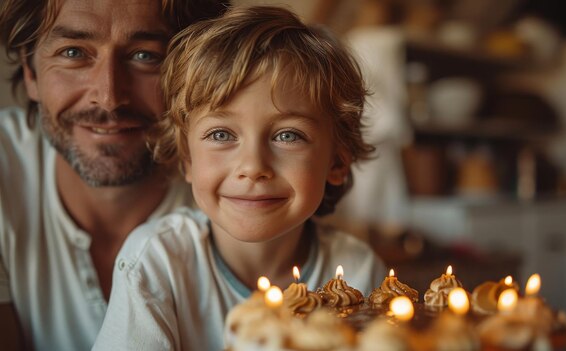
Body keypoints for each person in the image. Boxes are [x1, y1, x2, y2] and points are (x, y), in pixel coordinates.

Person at [92, 5, 388, 351]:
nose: (252, 166)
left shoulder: (358, 272)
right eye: (221, 134)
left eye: (288, 135)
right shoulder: (156, 263)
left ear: (337, 161)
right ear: (187, 159)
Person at [0, 0, 228, 350]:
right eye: (73, 52)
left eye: (145, 56)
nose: (108, 98)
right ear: (31, 72)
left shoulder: (245, 185)